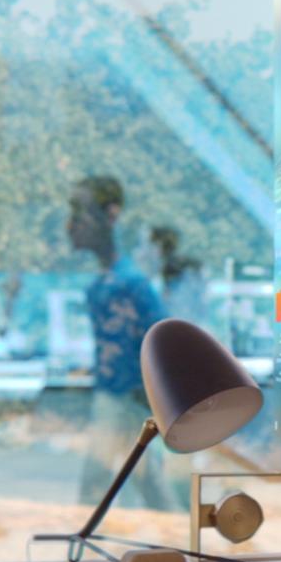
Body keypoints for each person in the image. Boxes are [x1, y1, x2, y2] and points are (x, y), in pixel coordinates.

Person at [67, 175, 172, 508]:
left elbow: (164, 341)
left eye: (80, 212)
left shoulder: (131, 285)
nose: (72, 224)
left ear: (110, 215)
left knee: (98, 485)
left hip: (124, 401)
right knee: (145, 482)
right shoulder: (107, 284)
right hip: (119, 399)